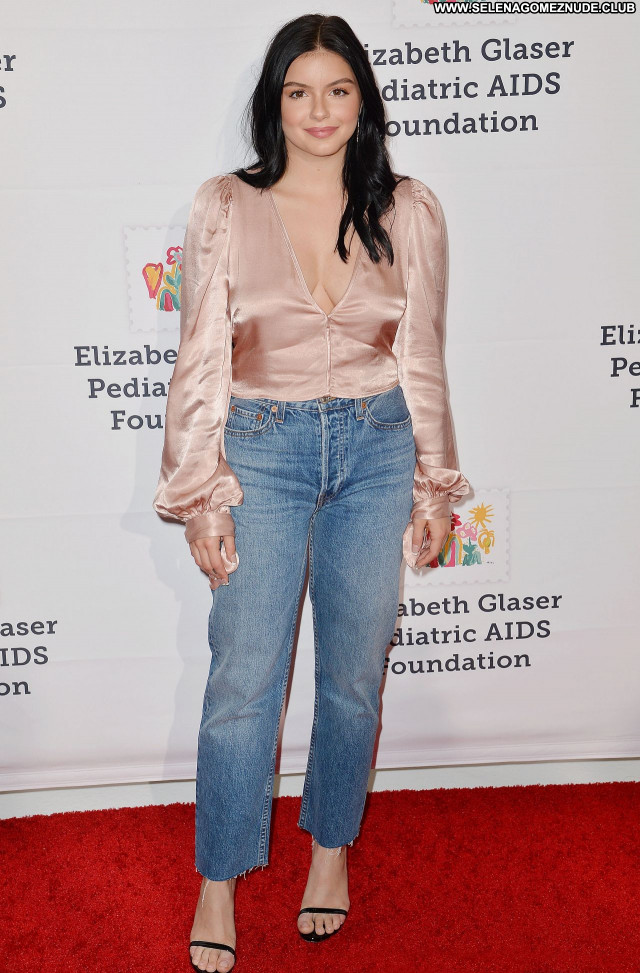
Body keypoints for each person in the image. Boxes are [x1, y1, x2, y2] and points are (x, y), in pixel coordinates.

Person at [153, 13, 471, 973]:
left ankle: (330, 849)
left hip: (377, 450)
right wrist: (201, 492)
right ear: (275, 103)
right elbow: (201, 359)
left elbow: (422, 355)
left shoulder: (408, 209)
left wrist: (435, 484)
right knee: (243, 679)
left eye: (337, 90)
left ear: (362, 101)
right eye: (299, 92)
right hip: (261, 453)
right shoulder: (226, 204)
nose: (319, 110)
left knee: (353, 675)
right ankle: (220, 875)